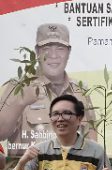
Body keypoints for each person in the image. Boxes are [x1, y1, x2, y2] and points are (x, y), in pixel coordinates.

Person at [0, 23, 96, 156]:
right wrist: (20, 102)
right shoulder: (19, 86)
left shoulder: (81, 91)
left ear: (69, 52)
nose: (53, 55)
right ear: (37, 51)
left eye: (60, 48)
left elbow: (92, 144)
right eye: (46, 48)